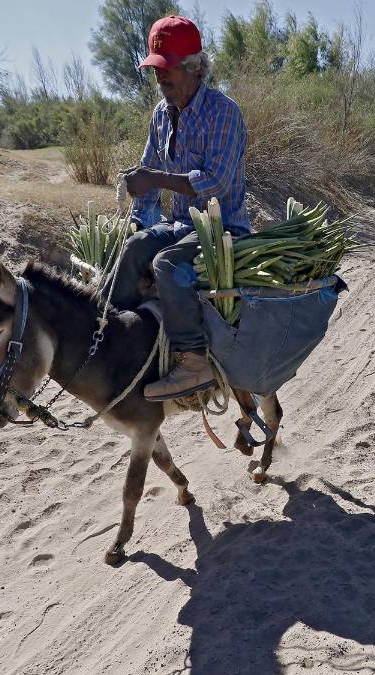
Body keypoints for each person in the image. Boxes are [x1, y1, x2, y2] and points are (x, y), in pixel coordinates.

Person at [115, 14, 250, 402]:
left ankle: (193, 362)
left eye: (167, 69)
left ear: (193, 67)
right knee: (136, 248)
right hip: (180, 225)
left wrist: (155, 178)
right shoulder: (161, 114)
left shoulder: (224, 112)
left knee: (167, 265)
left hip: (221, 229)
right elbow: (146, 181)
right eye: (156, 70)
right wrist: (140, 219)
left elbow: (215, 183)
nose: (161, 79)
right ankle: (113, 335)